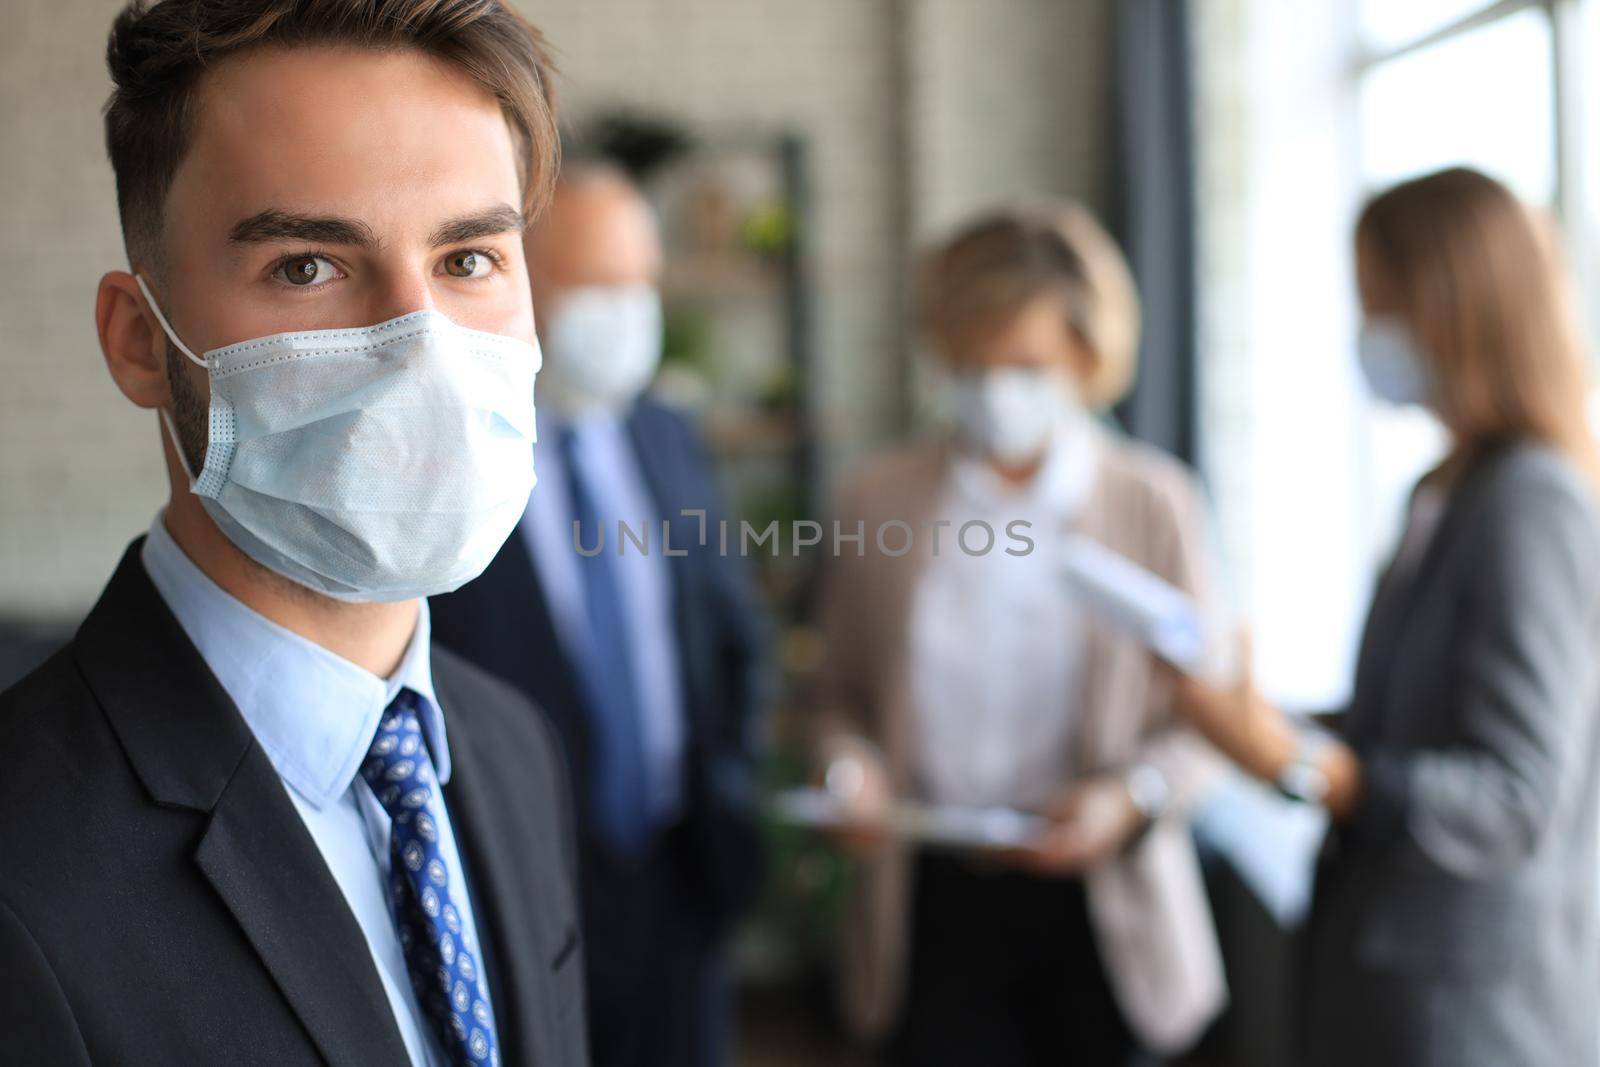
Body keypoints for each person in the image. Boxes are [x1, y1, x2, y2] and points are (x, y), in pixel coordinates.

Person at [0, 1, 589, 1063]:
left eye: (467, 258)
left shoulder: (509, 749)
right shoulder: (24, 866)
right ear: (140, 342)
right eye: (308, 265)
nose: (423, 348)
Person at [1171, 167, 1600, 1066]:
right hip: (1379, 970)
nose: (1365, 333)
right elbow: (1411, 713)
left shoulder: (1532, 501)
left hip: (1468, 1009)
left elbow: (1514, 797)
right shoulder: (1440, 491)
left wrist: (1299, 764)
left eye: (1380, 303)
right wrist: (1263, 720)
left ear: (1451, 309)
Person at [811, 201, 1227, 1066]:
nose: (999, 390)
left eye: (1029, 365)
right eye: (975, 363)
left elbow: (1210, 715)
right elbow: (836, 691)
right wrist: (849, 767)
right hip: (933, 897)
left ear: (1087, 356)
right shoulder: (878, 497)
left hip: (1104, 904)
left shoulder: (1155, 503)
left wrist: (1131, 796)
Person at [430, 163, 771, 1067]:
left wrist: (734, 777)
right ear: (526, 283)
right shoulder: (453, 454)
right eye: (597, 285)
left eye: (640, 285)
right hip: (524, 881)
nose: (626, 312)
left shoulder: (668, 433)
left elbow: (731, 632)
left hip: (679, 865)